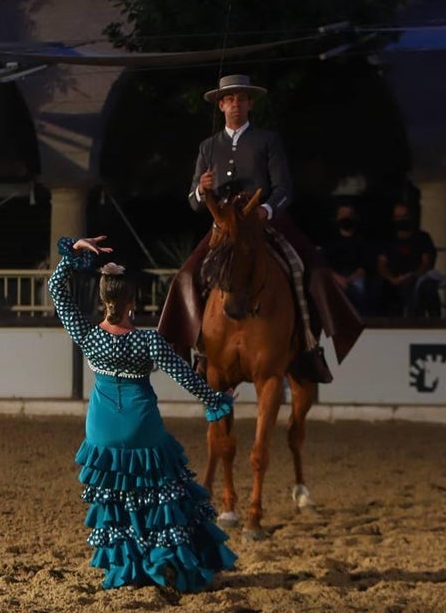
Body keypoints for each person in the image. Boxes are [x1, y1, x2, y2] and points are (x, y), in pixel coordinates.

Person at [49, 234, 236, 592]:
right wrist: (216, 398)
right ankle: (164, 561)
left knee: (116, 502)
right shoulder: (148, 341)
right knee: (163, 497)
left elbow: (56, 291)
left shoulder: (88, 336)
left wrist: (72, 255)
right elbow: (185, 376)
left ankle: (127, 571)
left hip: (102, 431)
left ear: (104, 299)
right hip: (142, 427)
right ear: (133, 300)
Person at [158, 74, 363, 382]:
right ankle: (197, 353)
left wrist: (267, 210)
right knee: (187, 274)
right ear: (221, 105)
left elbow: (283, 188)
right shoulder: (207, 146)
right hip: (224, 224)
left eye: (241, 99)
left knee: (307, 268)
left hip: (265, 220)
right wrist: (202, 189)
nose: (235, 104)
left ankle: (309, 344)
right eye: (229, 99)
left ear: (250, 103)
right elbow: (192, 201)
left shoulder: (268, 140)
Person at [377, 202, 441, 318]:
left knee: (427, 287)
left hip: (416, 278)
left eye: (404, 216)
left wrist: (412, 276)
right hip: (393, 281)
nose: (402, 220)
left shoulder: (423, 237)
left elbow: (426, 263)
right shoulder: (387, 240)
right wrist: (392, 279)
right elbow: (381, 265)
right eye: (398, 217)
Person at [323, 203, 375, 315]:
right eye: (342, 214)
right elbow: (325, 264)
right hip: (335, 277)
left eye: (348, 215)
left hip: (356, 277)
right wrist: (338, 279)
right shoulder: (329, 240)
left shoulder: (363, 240)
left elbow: (364, 266)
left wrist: (350, 280)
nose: (345, 218)